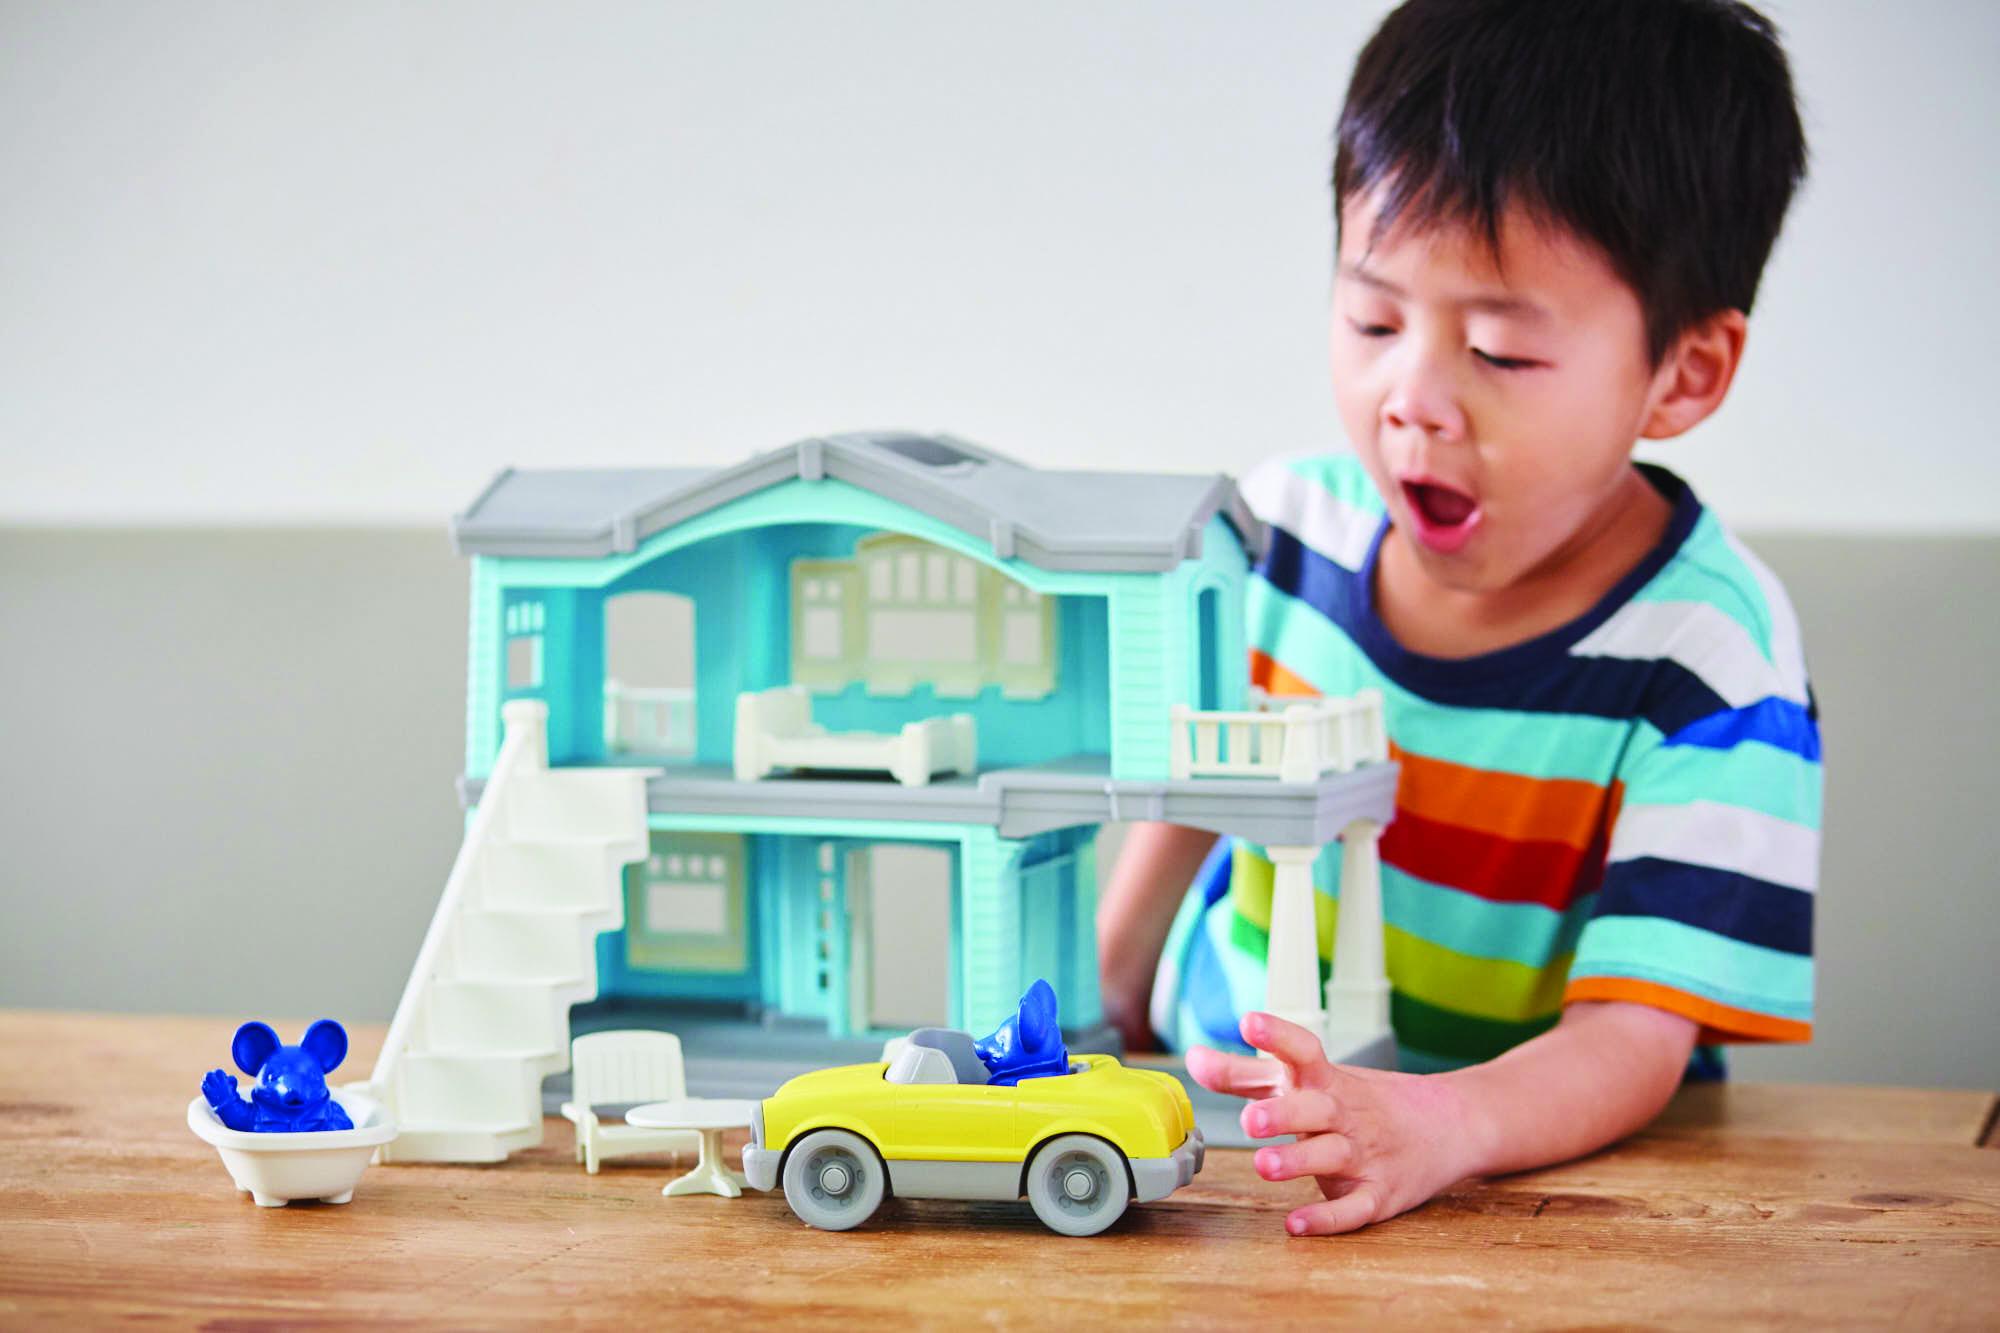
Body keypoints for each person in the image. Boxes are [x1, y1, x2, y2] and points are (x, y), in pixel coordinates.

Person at [1098, 0, 1820, 1236]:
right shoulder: (1281, 531)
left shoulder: (1712, 661)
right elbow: (1185, 779)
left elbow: (1635, 1034)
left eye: (1497, 350)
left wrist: (1440, 1124)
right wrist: (1114, 991)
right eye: (1372, 320)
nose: (1410, 399)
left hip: (1538, 1197)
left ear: (1681, 372)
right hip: (1214, 1148)